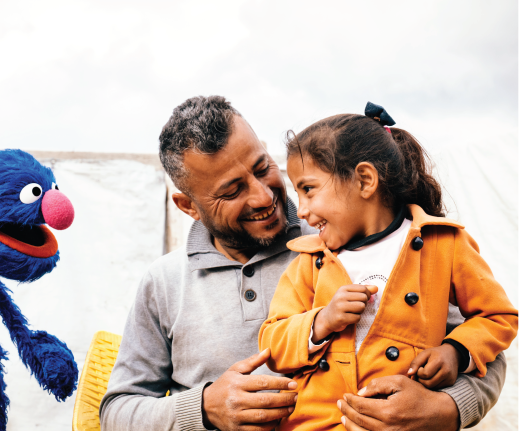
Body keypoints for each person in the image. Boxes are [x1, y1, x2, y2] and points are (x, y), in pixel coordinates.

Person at [99, 96, 507, 431]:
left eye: (263, 168)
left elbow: (483, 350)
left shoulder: (343, 242)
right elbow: (116, 412)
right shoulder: (164, 283)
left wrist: (444, 410)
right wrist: (204, 408)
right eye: (232, 190)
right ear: (189, 206)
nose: (263, 196)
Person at [259, 103, 519, 430]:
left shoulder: (444, 244)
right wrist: (321, 321)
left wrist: (456, 351)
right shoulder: (309, 260)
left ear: (365, 180)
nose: (304, 210)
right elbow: (272, 341)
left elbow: (498, 316)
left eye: (308, 190)